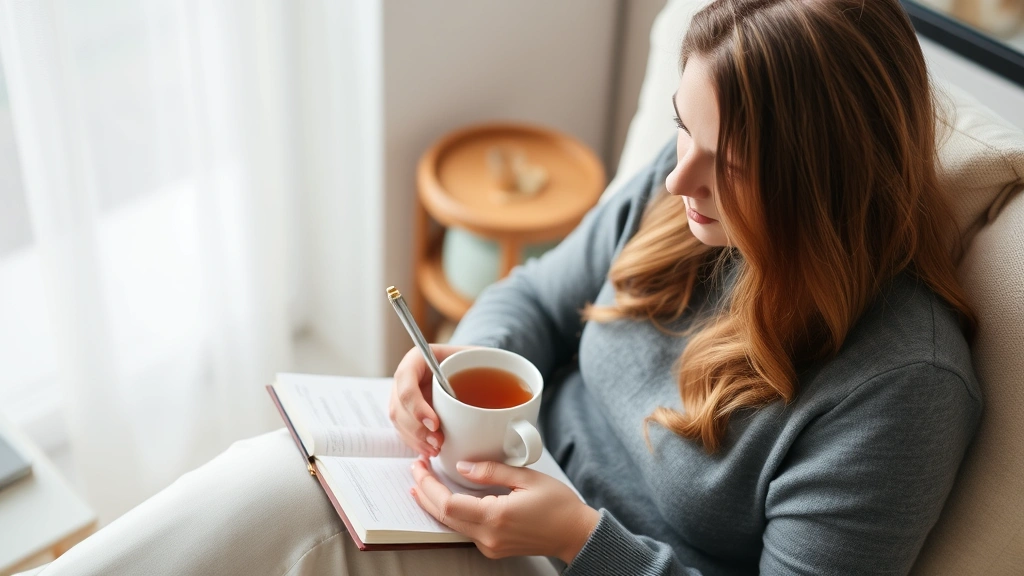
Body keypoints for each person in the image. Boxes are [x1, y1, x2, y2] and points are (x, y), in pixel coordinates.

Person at [41, 0, 981, 574]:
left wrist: (578, 537)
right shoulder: (684, 204)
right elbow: (531, 296)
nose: (675, 179)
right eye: (679, 132)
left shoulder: (900, 391)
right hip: (501, 505)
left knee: (282, 507)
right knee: (276, 479)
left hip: (562, 558)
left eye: (726, 164)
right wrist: (466, 365)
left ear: (824, 183)